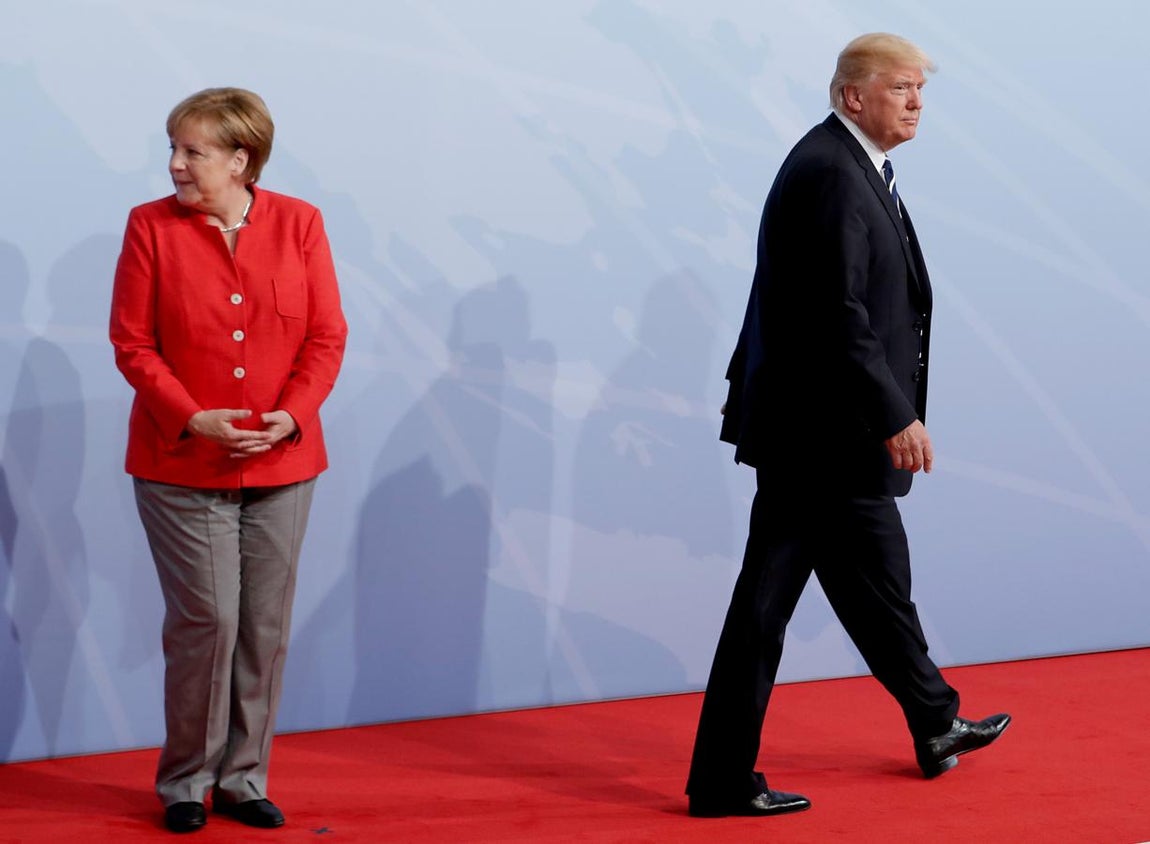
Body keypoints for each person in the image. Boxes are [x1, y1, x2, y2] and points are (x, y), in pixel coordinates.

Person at [685, 33, 1010, 818]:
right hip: (823, 436)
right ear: (850, 97)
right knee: (806, 597)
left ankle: (933, 723)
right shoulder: (832, 171)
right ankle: (735, 777)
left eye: (921, 90)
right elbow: (837, 314)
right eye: (901, 88)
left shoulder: (852, 165)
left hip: (819, 432)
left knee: (847, 589)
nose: (916, 102)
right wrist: (894, 413)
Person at [110, 88, 348, 834]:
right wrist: (192, 416)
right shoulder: (149, 227)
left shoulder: (301, 223)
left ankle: (244, 778)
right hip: (181, 464)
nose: (175, 164)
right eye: (174, 149)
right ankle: (185, 781)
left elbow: (326, 337)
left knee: (263, 627)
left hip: (283, 465)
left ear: (241, 159)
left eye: (193, 151)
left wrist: (293, 415)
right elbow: (133, 346)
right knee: (207, 623)